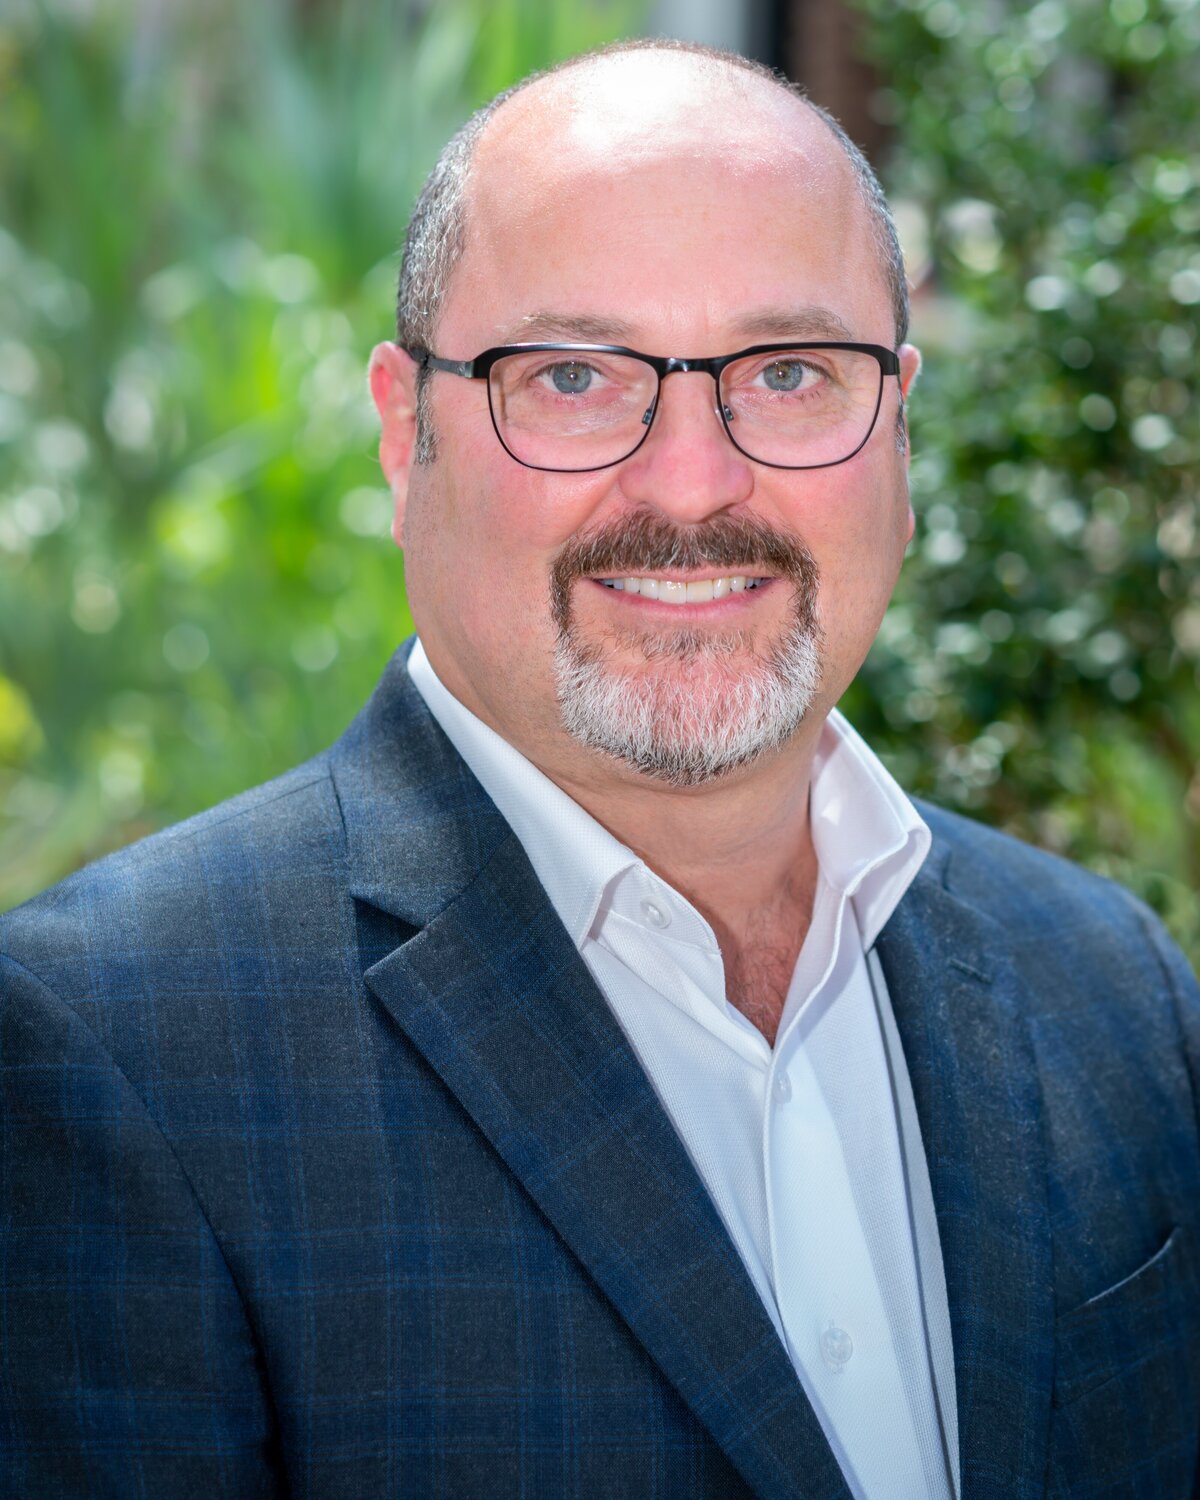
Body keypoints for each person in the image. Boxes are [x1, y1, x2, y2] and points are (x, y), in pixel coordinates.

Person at [2, 37, 1198, 1500]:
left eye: (790, 371)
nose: (692, 483)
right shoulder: (112, 1050)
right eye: (570, 376)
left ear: (900, 416)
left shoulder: (1117, 989)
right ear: (402, 430)